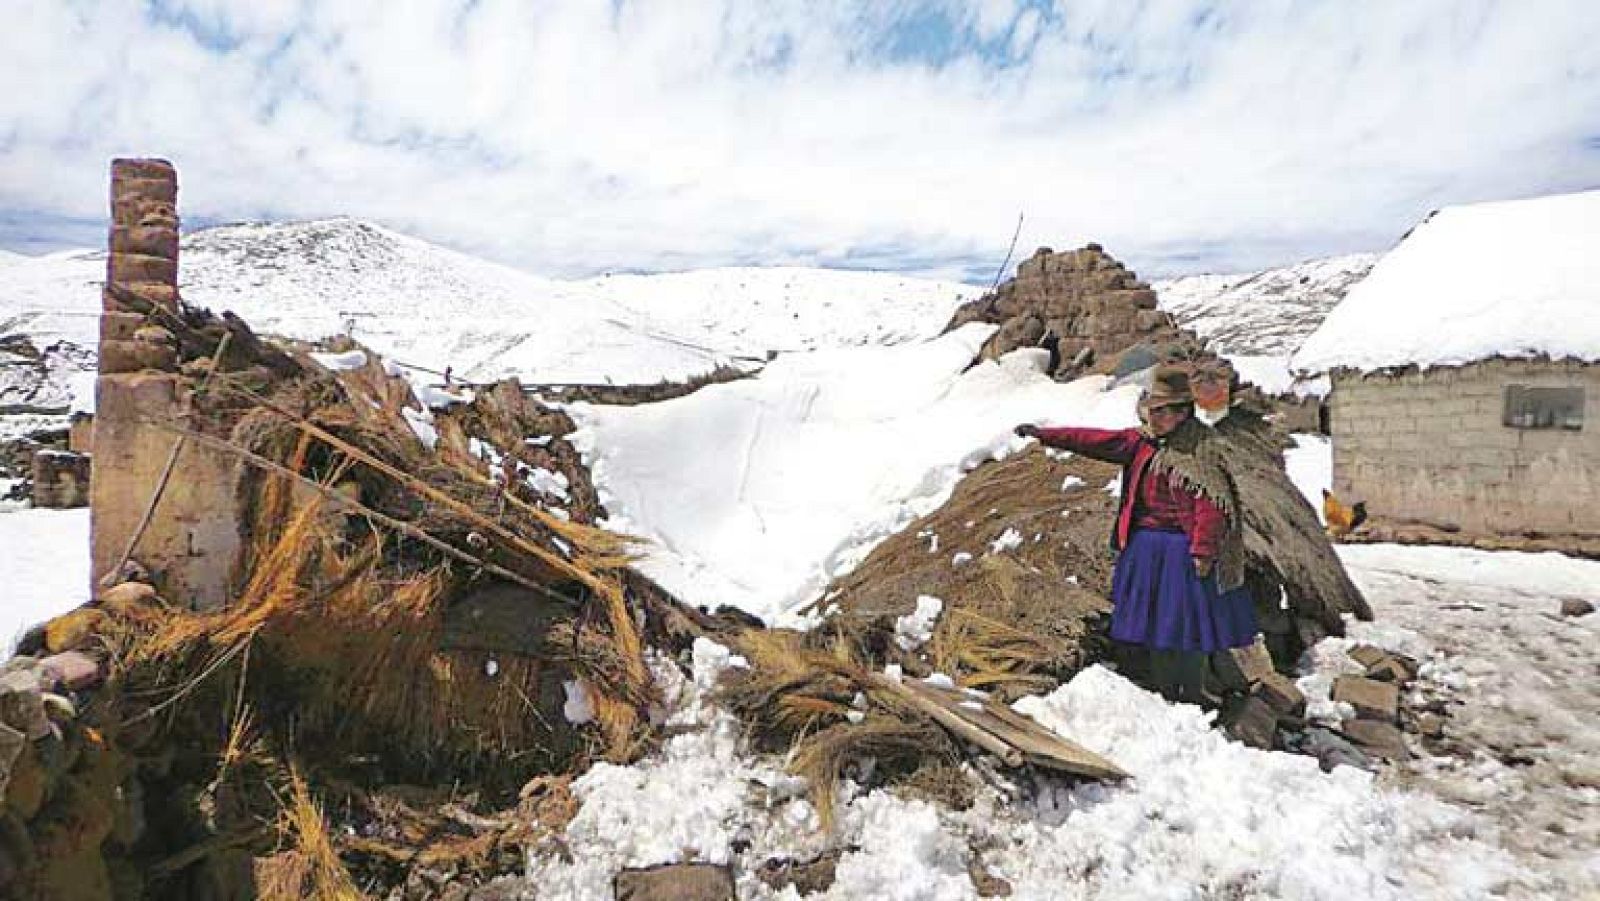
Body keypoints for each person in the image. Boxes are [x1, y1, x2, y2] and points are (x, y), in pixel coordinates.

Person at [1015, 365, 1257, 703]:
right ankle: (1163, 693)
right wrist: (1045, 434)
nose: (1153, 419)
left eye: (1161, 412)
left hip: (1182, 551)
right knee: (1155, 628)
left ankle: (1190, 693)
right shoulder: (1141, 443)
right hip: (1144, 549)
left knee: (1186, 629)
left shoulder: (1200, 451)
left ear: (1182, 413)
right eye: (1151, 411)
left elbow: (1211, 505)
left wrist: (1203, 551)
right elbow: (1094, 440)